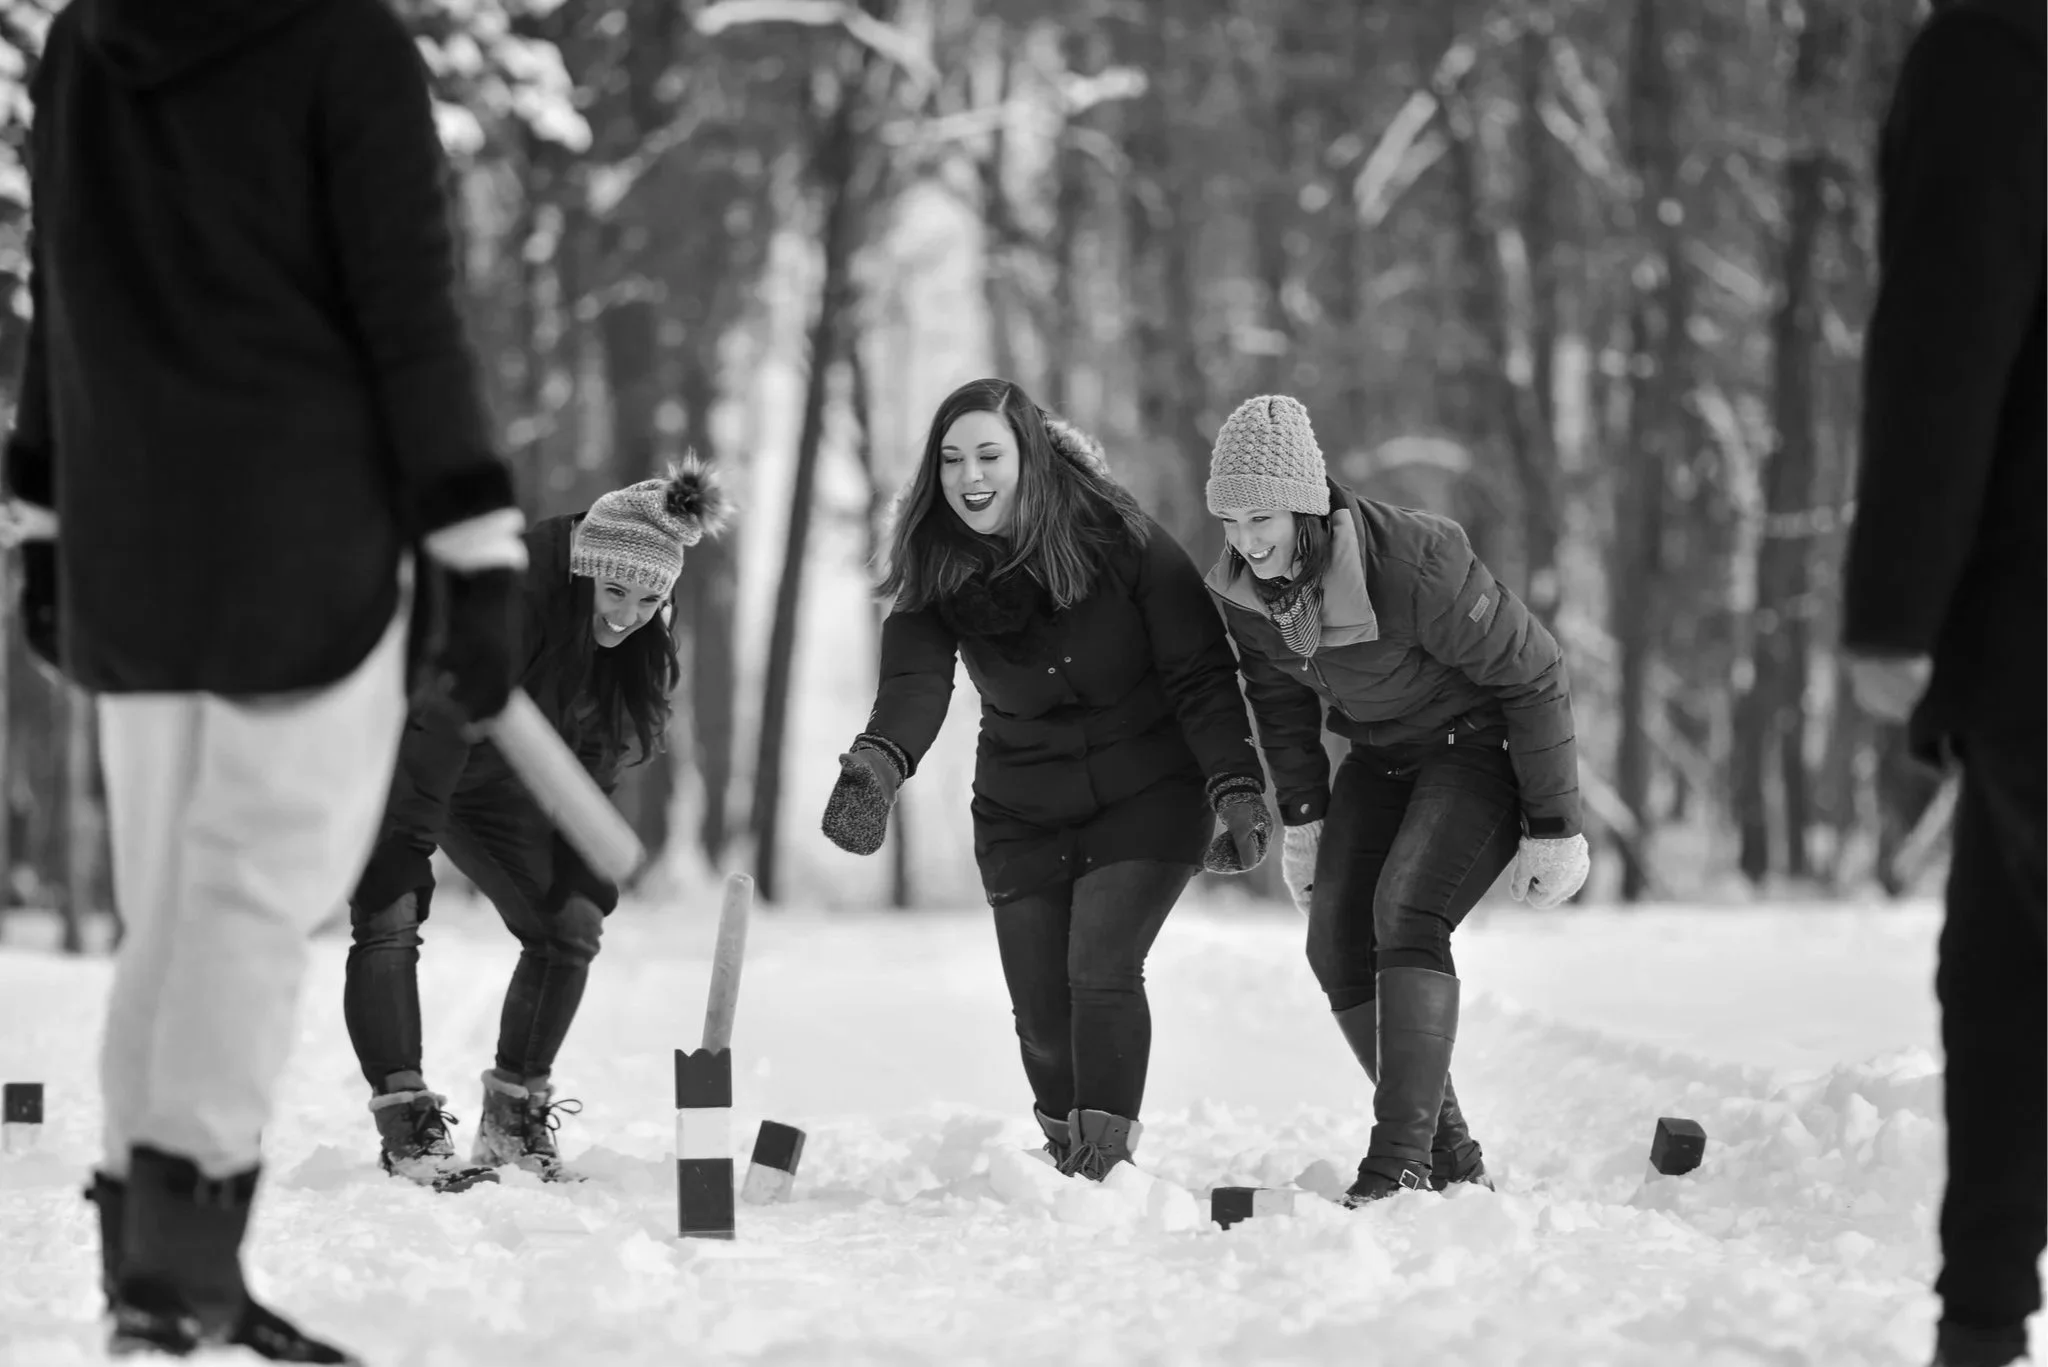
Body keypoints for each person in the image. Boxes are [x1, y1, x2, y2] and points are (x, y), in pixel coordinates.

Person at [4, 1, 529, 1361]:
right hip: (299, 547)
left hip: (129, 540)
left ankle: (154, 1266)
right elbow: (409, 313)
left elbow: (61, 284)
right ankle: (181, 1273)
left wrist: (51, 524)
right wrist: (476, 553)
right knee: (243, 895)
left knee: (177, 900)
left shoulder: (82, 39)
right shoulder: (339, 39)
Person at [820, 378, 1271, 1180]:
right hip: (1022, 805)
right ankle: (1066, 1153)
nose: (971, 476)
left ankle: (1103, 1164)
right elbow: (916, 683)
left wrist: (1233, 783)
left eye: (989, 454)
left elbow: (1199, 670)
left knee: (1099, 968)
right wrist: (878, 766)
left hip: (1149, 789)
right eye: (952, 458)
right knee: (1039, 1014)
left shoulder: (1118, 534)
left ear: (1028, 457)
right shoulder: (936, 558)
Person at [1202, 394, 1587, 1205]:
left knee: (1407, 913)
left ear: (1306, 502)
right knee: (1334, 941)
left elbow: (1535, 668)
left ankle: (1398, 1161)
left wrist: (1554, 824)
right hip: (1379, 758)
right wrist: (1304, 822)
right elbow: (1278, 702)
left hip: (1474, 747)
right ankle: (1449, 1157)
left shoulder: (1415, 563)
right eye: (1229, 520)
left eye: (1262, 516)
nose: (1246, 540)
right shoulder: (1248, 592)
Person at [1839, 3, 2044, 1364]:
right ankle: (1980, 1314)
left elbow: (1949, 320)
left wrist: (1896, 603)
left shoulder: (2000, 42)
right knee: (2000, 963)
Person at [345, 463, 727, 1190]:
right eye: (615, 593)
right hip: (407, 739)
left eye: (650, 599)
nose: (627, 614)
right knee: (388, 907)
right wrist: (408, 844)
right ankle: (408, 1130)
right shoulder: (509, 595)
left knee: (571, 921)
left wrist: (583, 830)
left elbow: (603, 734)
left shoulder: (639, 621)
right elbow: (436, 721)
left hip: (497, 772)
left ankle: (513, 1124)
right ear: (587, 570)